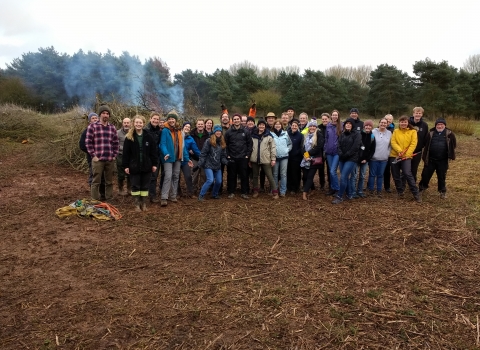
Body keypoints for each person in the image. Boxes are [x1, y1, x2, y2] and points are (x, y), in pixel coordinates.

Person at [122, 115, 158, 212]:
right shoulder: (129, 137)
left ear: (143, 124)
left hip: (146, 165)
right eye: (136, 122)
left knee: (145, 186)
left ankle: (144, 203)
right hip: (134, 166)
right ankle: (137, 204)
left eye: (140, 123)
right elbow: (125, 153)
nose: (138, 124)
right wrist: (126, 166)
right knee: (135, 185)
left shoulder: (148, 137)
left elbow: (153, 152)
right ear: (133, 123)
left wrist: (154, 164)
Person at [85, 104, 119, 201]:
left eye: (107, 113)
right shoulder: (92, 127)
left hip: (109, 159)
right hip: (98, 159)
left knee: (109, 181)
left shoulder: (112, 128)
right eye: (103, 113)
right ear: (100, 114)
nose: (105, 115)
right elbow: (88, 142)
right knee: (96, 181)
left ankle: (109, 198)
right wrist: (93, 156)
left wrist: (114, 155)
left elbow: (116, 142)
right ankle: (94, 200)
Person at [159, 113, 193, 206]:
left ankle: (173, 195)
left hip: (178, 157)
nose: (171, 120)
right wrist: (165, 153)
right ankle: (164, 197)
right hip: (168, 157)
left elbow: (183, 147)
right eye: (169, 119)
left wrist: (187, 158)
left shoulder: (180, 131)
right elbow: (162, 144)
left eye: (173, 119)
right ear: (167, 120)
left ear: (176, 120)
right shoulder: (165, 131)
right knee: (168, 176)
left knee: (176, 176)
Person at [419, 119, 456, 199]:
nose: (439, 126)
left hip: (442, 160)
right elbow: (426, 144)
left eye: (441, 124)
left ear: (444, 125)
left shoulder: (450, 134)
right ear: (435, 125)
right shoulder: (430, 133)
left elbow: (453, 145)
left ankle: (442, 191)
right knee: (425, 175)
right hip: (430, 160)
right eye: (438, 125)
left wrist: (450, 155)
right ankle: (422, 189)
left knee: (441, 177)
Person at [389, 115, 421, 202]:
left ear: (408, 123)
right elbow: (393, 141)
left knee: (407, 173)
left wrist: (407, 154)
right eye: (402, 122)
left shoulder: (413, 132)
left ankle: (415, 193)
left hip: (407, 156)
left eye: (405, 122)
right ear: (399, 123)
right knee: (395, 175)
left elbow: (413, 144)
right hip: (395, 155)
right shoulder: (395, 131)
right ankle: (400, 190)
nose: (403, 123)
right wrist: (399, 151)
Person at [332, 118, 362, 204]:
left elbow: (355, 147)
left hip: (351, 159)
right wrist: (341, 153)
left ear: (352, 125)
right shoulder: (342, 134)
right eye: (347, 124)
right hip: (342, 158)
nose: (348, 125)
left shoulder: (357, 134)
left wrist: (347, 154)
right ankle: (349, 194)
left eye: (350, 124)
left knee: (343, 176)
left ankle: (340, 196)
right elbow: (339, 145)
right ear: (344, 125)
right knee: (345, 177)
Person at [197, 125, 229, 201]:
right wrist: (200, 164)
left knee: (219, 181)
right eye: (217, 131)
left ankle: (214, 194)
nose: (218, 132)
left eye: (219, 131)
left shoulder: (222, 142)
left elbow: (222, 156)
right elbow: (203, 153)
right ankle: (201, 195)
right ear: (214, 132)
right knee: (210, 180)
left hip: (217, 165)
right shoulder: (209, 141)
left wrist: (227, 162)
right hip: (208, 165)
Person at [225, 113, 252, 199]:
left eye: (238, 119)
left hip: (243, 157)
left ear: (240, 120)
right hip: (232, 157)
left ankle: (244, 192)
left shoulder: (245, 131)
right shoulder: (229, 132)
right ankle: (231, 191)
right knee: (232, 175)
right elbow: (225, 145)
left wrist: (247, 155)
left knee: (244, 175)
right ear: (232, 121)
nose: (236, 120)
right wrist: (228, 155)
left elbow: (249, 144)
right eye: (235, 119)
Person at [79, 112, 105, 199]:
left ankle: (103, 194)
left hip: (103, 157)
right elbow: (82, 145)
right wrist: (92, 153)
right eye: (93, 118)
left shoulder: (102, 129)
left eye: (96, 118)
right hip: (92, 158)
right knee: (94, 175)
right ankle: (94, 195)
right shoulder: (86, 131)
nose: (95, 119)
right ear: (90, 121)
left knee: (103, 176)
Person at [250, 119, 278, 199]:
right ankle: (255, 190)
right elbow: (250, 147)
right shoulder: (253, 135)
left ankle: (275, 192)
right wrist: (249, 159)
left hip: (266, 159)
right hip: (254, 159)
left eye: (263, 125)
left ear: (265, 126)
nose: (261, 126)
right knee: (255, 175)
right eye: (260, 125)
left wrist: (273, 159)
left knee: (269, 175)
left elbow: (273, 148)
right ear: (258, 126)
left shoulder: (269, 136)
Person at [300, 119, 325, 200]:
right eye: (311, 126)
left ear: (316, 127)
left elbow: (318, 147)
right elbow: (302, 147)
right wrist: (305, 155)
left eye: (314, 126)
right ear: (308, 127)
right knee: (305, 176)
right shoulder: (305, 135)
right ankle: (313, 188)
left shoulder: (319, 135)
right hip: (305, 159)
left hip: (314, 159)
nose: (312, 127)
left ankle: (305, 192)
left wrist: (308, 154)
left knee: (310, 176)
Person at [367, 118, 392, 196]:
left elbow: (390, 145)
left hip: (384, 158)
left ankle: (379, 190)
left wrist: (388, 154)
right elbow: (369, 143)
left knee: (380, 175)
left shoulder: (389, 133)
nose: (383, 124)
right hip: (373, 158)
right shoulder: (373, 132)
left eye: (385, 123)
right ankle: (371, 189)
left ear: (387, 124)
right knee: (372, 174)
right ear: (379, 123)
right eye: (382, 122)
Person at [354, 119, 376, 198]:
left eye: (370, 126)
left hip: (365, 160)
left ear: (371, 127)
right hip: (357, 159)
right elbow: (355, 147)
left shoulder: (372, 137)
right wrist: (358, 158)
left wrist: (366, 159)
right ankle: (353, 191)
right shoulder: (358, 134)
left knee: (362, 176)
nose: (368, 127)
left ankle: (360, 191)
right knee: (355, 176)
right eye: (366, 125)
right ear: (364, 126)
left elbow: (372, 150)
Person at [145, 112, 163, 203]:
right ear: (150, 119)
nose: (155, 120)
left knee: (154, 176)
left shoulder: (159, 131)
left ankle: (152, 196)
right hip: (146, 157)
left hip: (156, 157)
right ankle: (144, 195)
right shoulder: (145, 130)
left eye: (157, 119)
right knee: (146, 176)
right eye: (154, 119)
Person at [179, 122, 200, 198]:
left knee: (188, 176)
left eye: (189, 127)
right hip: (177, 159)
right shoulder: (178, 135)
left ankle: (190, 192)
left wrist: (201, 157)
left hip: (186, 160)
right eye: (186, 126)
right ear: (183, 127)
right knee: (177, 176)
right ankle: (178, 192)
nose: (187, 128)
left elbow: (195, 149)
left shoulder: (190, 139)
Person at [271, 120, 292, 197]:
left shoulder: (285, 134)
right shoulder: (271, 134)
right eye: (276, 124)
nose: (277, 125)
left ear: (281, 126)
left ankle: (283, 191)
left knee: (283, 174)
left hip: (284, 157)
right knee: (275, 174)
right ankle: (275, 189)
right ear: (274, 126)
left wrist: (287, 150)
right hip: (275, 157)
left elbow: (290, 144)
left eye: (279, 124)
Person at [409, 106, 429, 182]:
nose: (418, 114)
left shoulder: (425, 125)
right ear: (413, 114)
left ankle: (412, 184)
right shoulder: (407, 123)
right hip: (407, 150)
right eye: (416, 113)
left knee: (414, 169)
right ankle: (402, 185)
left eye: (419, 113)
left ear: (422, 114)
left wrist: (422, 146)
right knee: (405, 169)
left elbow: (426, 138)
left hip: (417, 151)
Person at [324, 110, 342, 196]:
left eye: (336, 115)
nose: (334, 116)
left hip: (336, 152)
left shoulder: (341, 126)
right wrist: (325, 148)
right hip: (329, 152)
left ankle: (338, 189)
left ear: (338, 116)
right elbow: (326, 138)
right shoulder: (328, 126)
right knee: (331, 171)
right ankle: (333, 188)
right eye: (333, 115)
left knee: (332, 171)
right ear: (331, 116)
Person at [190, 119, 209, 194]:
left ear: (204, 125)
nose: (200, 125)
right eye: (199, 124)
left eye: (202, 124)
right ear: (196, 125)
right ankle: (193, 190)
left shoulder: (208, 135)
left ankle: (202, 190)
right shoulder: (192, 135)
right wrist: (189, 150)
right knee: (195, 175)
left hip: (205, 159)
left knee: (204, 175)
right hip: (195, 158)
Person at [287, 119, 303, 194]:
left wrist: (297, 153)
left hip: (296, 158)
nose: (294, 127)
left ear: (298, 127)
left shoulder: (300, 136)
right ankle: (289, 186)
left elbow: (301, 147)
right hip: (288, 156)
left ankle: (295, 187)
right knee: (288, 172)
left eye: (295, 126)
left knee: (295, 173)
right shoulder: (287, 134)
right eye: (293, 125)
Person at [116, 117, 131, 195]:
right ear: (122, 123)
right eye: (125, 123)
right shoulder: (117, 133)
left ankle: (129, 189)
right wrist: (124, 148)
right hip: (120, 155)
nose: (126, 124)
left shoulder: (132, 132)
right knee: (121, 174)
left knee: (130, 173)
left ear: (130, 124)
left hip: (130, 156)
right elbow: (115, 144)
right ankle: (120, 189)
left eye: (128, 123)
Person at [317, 113, 331, 191]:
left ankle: (330, 183)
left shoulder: (331, 127)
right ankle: (322, 184)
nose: (324, 120)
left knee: (330, 168)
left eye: (326, 119)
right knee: (321, 168)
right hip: (320, 151)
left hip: (329, 151)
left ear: (329, 119)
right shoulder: (318, 128)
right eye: (323, 119)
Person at [383, 114, 395, 193]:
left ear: (392, 121)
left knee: (387, 170)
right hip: (380, 152)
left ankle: (387, 187)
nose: (388, 121)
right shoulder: (379, 128)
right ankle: (370, 185)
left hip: (390, 153)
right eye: (386, 119)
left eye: (390, 119)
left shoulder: (394, 130)